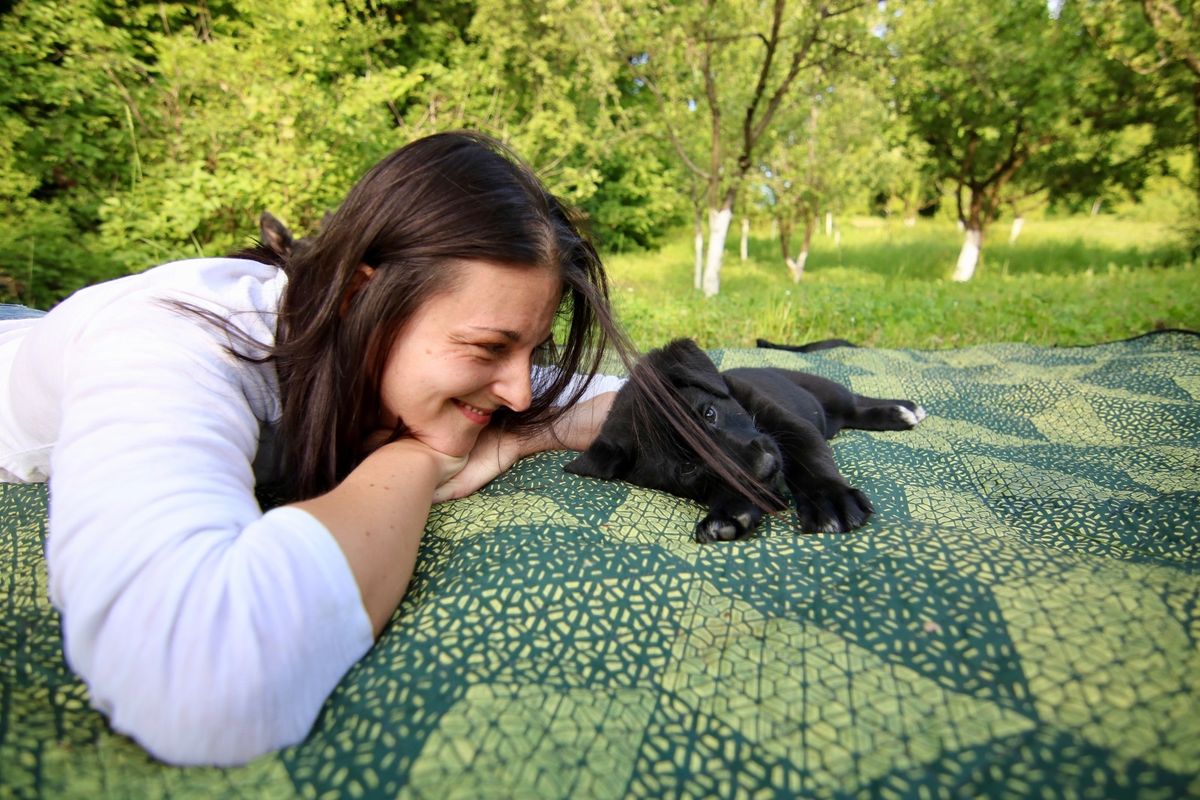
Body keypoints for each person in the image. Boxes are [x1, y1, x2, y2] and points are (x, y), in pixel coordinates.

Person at [0, 131, 630, 766]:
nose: (520, 393)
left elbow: (617, 398)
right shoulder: (177, 343)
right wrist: (411, 461)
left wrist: (532, 434)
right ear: (361, 298)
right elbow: (193, 677)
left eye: (532, 350)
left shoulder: (411, 340)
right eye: (490, 348)